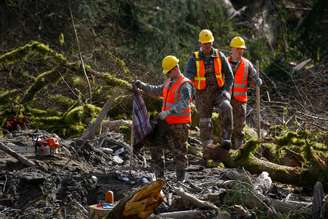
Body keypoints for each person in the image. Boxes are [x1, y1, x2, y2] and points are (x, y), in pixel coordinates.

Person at [134, 55, 194, 182]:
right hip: (166, 123)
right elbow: (156, 90)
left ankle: (180, 180)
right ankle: (159, 178)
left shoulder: (185, 84)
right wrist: (143, 85)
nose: (167, 75)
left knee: (179, 152)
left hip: (179, 125)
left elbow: (185, 103)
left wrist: (168, 112)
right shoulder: (169, 82)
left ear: (175, 68)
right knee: (155, 146)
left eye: (168, 72)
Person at [185, 29, 234, 158]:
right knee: (205, 122)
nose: (207, 46)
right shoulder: (194, 58)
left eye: (209, 43)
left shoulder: (219, 55)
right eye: (205, 44)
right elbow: (187, 79)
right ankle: (207, 149)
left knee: (226, 107)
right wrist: (190, 92)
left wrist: (226, 91)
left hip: (218, 92)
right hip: (202, 95)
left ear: (212, 42)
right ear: (200, 44)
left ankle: (226, 139)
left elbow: (229, 76)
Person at [228, 36, 262, 149]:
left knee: (239, 127)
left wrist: (257, 80)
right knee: (226, 125)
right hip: (226, 100)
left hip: (240, 100)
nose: (239, 51)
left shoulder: (247, 64)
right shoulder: (224, 63)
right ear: (231, 49)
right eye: (237, 49)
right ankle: (226, 151)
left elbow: (254, 76)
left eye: (241, 49)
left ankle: (238, 150)